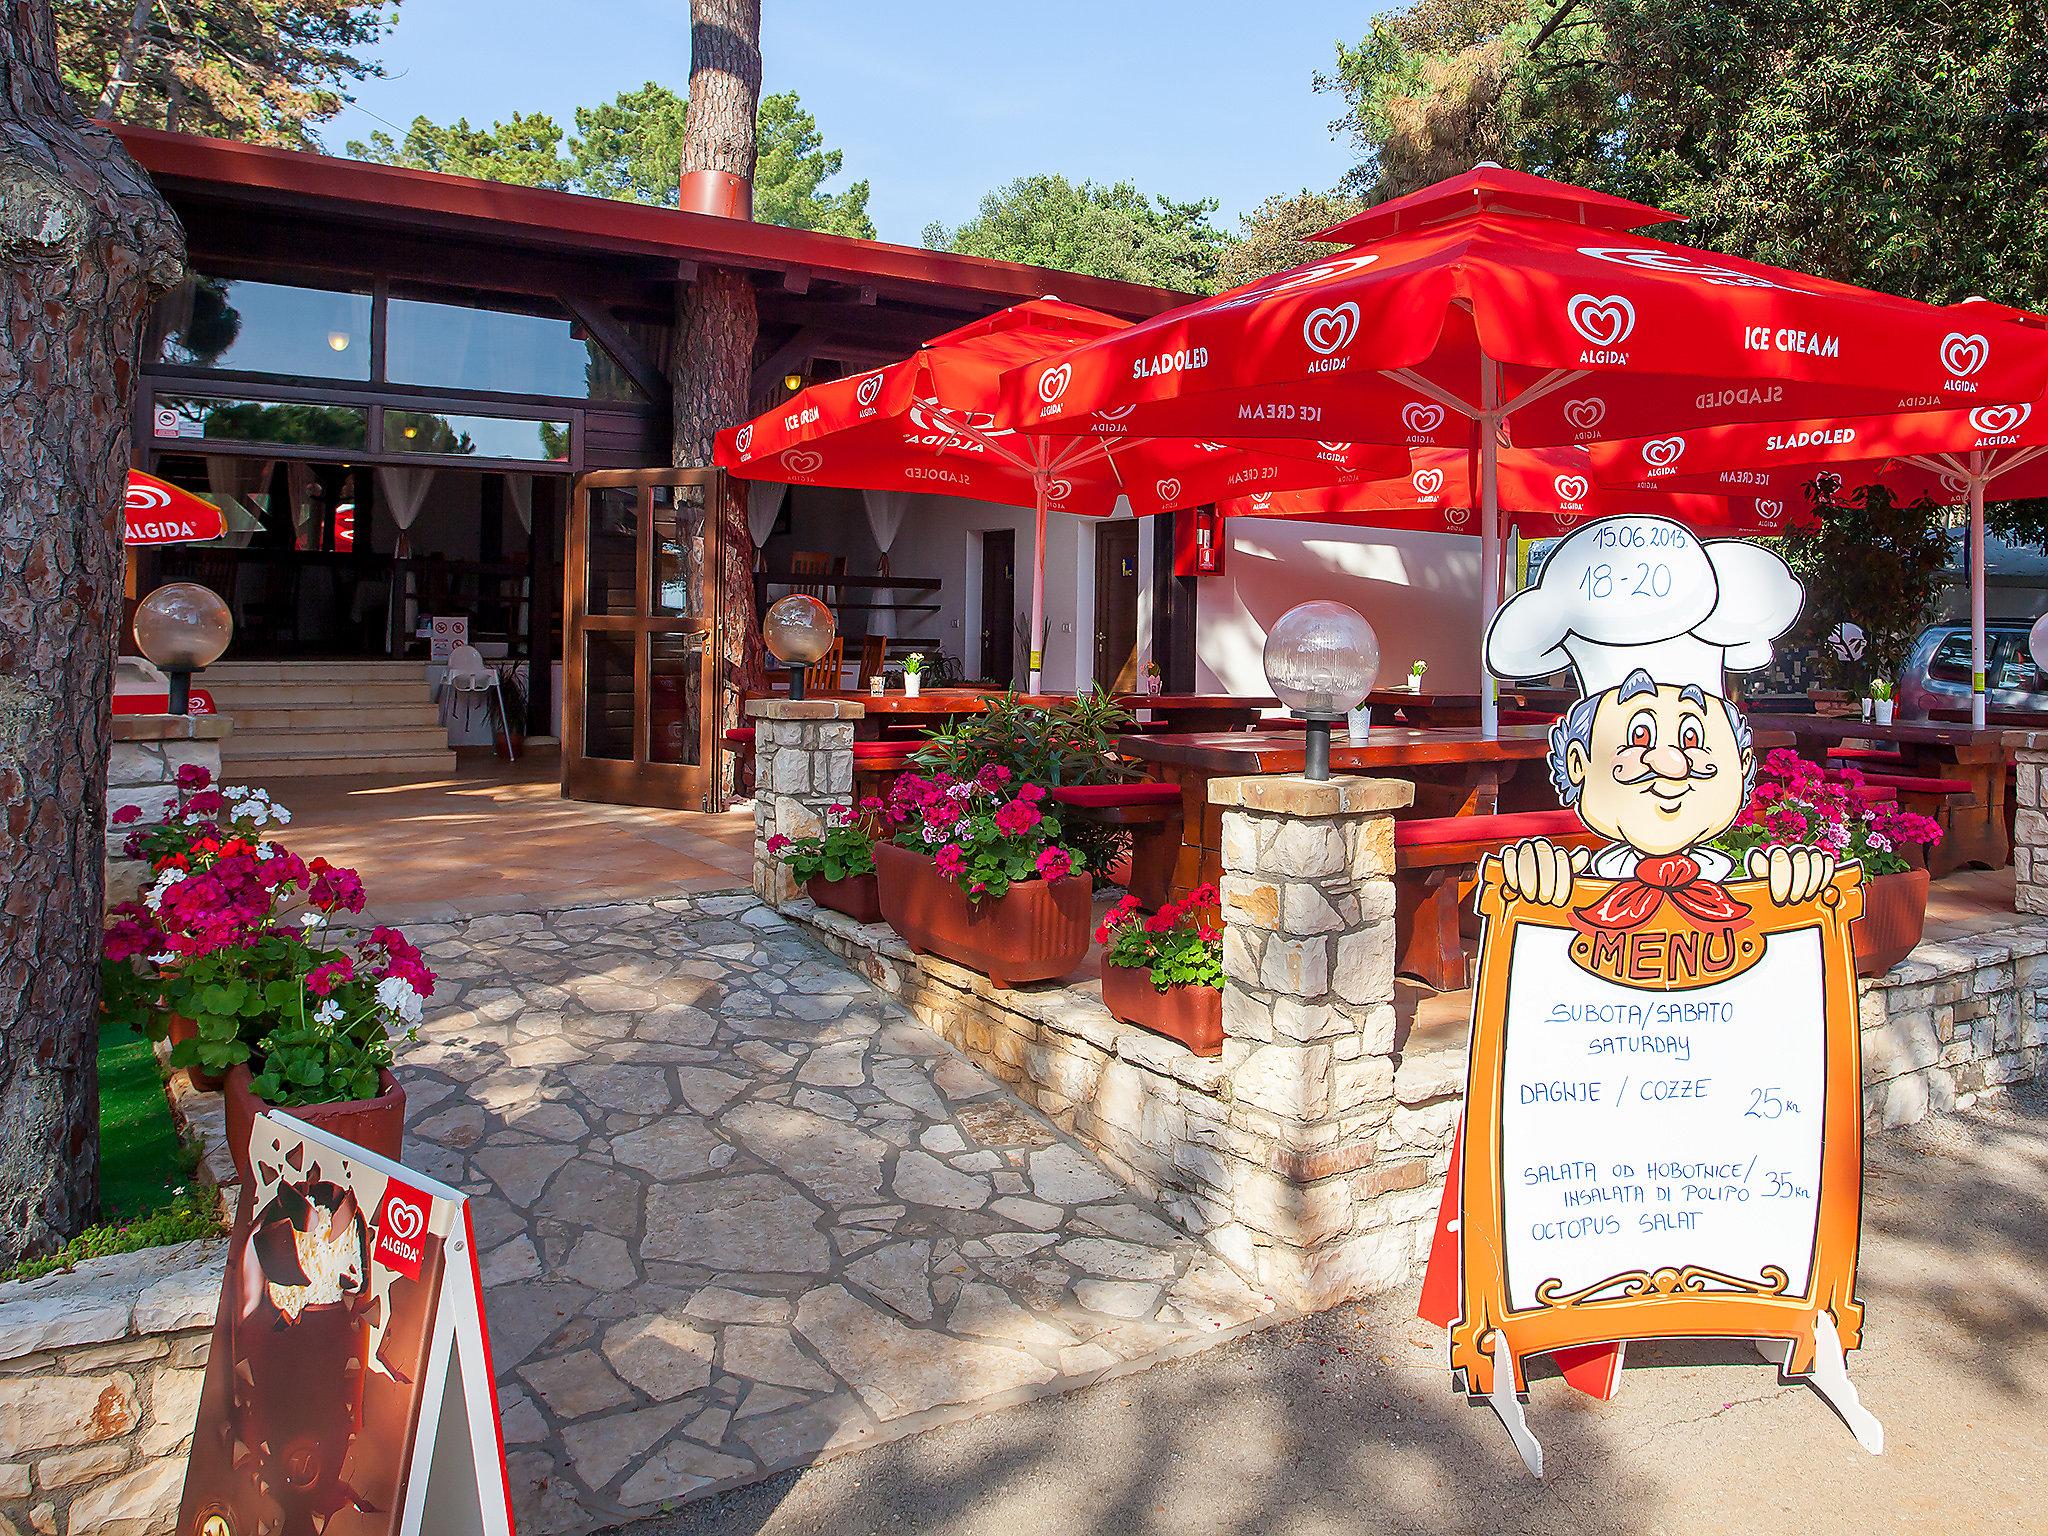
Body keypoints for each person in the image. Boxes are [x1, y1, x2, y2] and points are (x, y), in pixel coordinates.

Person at [1484, 515, 1832, 919]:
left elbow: (1787, 915)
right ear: (1578, 763)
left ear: (1741, 764)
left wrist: (1796, 880)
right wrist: (1538, 878)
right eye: (1640, 736)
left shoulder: (1743, 876)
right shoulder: (1586, 878)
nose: (1671, 763)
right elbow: (1539, 905)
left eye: (1691, 739)